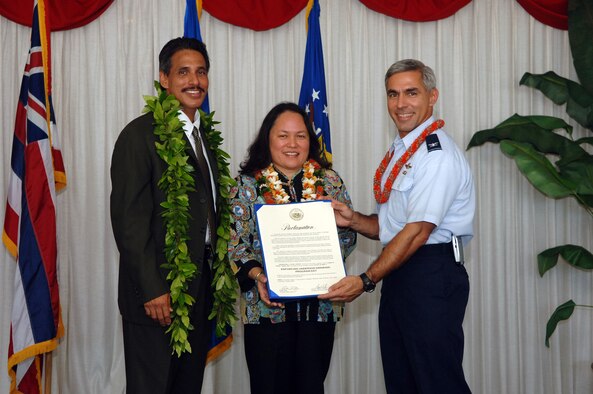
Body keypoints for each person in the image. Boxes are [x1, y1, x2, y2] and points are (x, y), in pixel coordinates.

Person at [319, 59, 475, 394]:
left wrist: (365, 280)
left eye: (411, 93)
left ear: (432, 97)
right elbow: (392, 226)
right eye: (393, 94)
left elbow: (418, 231)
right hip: (402, 271)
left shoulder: (436, 155)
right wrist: (354, 220)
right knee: (403, 381)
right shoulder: (403, 149)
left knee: (437, 382)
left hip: (430, 274)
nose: (401, 103)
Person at [110, 37, 219, 393]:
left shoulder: (204, 139)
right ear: (163, 79)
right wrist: (153, 289)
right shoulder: (139, 136)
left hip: (198, 292)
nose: (194, 81)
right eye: (183, 71)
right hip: (156, 298)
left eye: (201, 72)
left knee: (186, 387)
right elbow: (129, 221)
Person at [228, 102, 357, 394]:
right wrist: (260, 276)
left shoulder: (330, 181)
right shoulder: (246, 186)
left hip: (320, 310)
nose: (292, 144)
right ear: (267, 139)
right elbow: (235, 245)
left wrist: (343, 227)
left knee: (312, 387)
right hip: (267, 310)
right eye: (283, 135)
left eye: (300, 136)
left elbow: (348, 242)